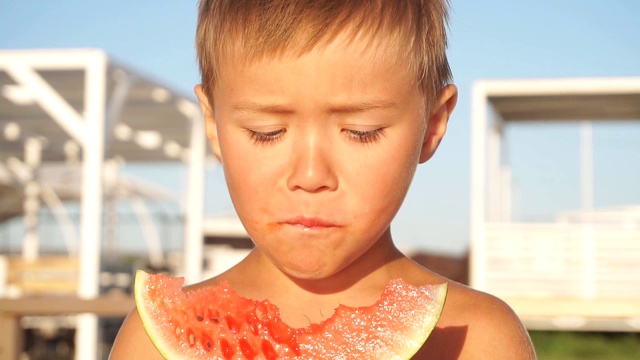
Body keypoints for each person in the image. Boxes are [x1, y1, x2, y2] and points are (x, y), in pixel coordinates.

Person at [110, 0, 536, 359]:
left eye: (361, 132)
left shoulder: (479, 339)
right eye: (266, 131)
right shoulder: (147, 344)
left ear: (432, 125)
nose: (311, 176)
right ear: (212, 122)